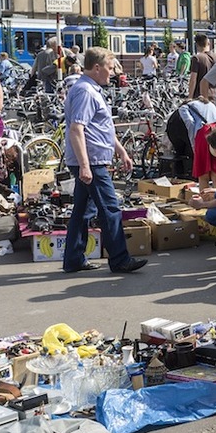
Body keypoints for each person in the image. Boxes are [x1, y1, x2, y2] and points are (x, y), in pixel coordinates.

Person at [63, 47, 147, 274]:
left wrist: (120, 151)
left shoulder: (89, 89)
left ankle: (73, 259)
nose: (112, 73)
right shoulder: (86, 92)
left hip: (91, 160)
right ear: (97, 67)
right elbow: (77, 129)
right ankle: (120, 259)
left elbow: (101, 128)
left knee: (83, 210)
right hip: (91, 161)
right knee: (110, 208)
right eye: (109, 68)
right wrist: (84, 165)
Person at [188, 34, 215, 99]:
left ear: (196, 45)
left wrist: (190, 97)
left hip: (200, 95)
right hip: (214, 94)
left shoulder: (197, 58)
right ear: (208, 43)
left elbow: (193, 79)